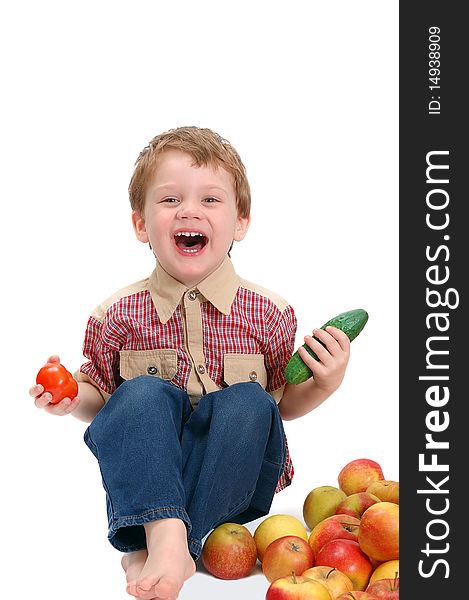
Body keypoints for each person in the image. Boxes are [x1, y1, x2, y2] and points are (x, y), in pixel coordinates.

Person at [29, 126, 351, 600]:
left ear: (241, 222)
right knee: (139, 394)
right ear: (141, 224)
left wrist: (325, 383)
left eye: (211, 199)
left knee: (249, 402)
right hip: (150, 471)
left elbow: (278, 406)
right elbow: (104, 400)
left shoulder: (270, 313)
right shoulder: (115, 314)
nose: (189, 210)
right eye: (170, 199)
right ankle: (168, 536)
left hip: (234, 480)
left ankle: (165, 541)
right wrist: (73, 396)